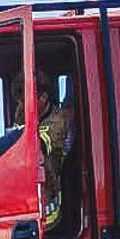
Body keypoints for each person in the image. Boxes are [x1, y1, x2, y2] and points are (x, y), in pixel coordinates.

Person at [34, 70, 75, 230]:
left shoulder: (57, 121)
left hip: (52, 187)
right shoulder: (24, 112)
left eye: (27, 98)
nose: (22, 104)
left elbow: (44, 145)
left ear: (43, 98)